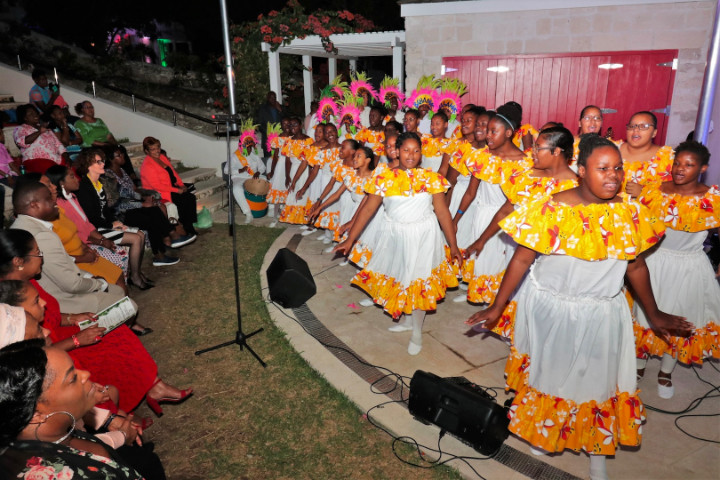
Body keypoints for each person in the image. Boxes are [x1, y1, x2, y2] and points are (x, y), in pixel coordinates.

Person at [466, 135, 691, 480]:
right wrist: (498, 306)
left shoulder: (628, 212)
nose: (613, 176)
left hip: (603, 311)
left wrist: (655, 312)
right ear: (581, 171)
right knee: (552, 373)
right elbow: (522, 258)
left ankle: (596, 447)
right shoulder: (550, 208)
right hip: (553, 309)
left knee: (597, 379)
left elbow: (635, 267)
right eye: (603, 168)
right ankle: (546, 429)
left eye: (617, 168)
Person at [0, 229, 193, 415]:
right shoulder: (10, 300)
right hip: (53, 351)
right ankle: (118, 414)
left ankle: (153, 387)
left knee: (115, 331)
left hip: (61, 334)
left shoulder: (28, 281)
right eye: (37, 253)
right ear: (18, 261)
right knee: (102, 346)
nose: (41, 256)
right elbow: (34, 354)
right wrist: (77, 340)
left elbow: (50, 315)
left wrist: (71, 318)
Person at [335, 132, 462, 355]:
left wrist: (453, 245)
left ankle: (416, 332)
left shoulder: (431, 178)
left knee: (419, 280)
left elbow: (442, 212)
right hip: (394, 234)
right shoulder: (383, 178)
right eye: (406, 150)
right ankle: (405, 320)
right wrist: (350, 239)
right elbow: (367, 210)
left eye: (416, 150)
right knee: (401, 276)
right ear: (396, 151)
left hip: (424, 235)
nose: (411, 155)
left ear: (421, 153)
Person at [634, 140, 720, 399]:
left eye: (689, 165)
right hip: (655, 262)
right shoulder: (655, 191)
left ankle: (666, 371)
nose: (680, 169)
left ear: (702, 168)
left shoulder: (711, 199)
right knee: (644, 314)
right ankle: (638, 365)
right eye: (677, 163)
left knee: (679, 317)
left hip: (689, 266)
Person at [0, 340, 155, 479]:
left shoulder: (55, 432)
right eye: (72, 378)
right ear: (36, 414)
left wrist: (119, 434)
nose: (86, 374)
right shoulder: (57, 474)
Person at [10, 180, 126, 315]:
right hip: (64, 300)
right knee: (125, 302)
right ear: (34, 205)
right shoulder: (41, 235)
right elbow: (71, 285)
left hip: (64, 285)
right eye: (48, 198)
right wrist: (98, 283)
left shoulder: (21, 226)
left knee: (117, 289)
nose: (54, 201)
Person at [453, 105, 529, 304]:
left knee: (499, 266)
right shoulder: (482, 157)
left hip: (504, 221)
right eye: (487, 131)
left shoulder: (522, 163)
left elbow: (510, 205)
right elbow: (471, 192)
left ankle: (496, 309)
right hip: (481, 214)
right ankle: (487, 305)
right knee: (482, 265)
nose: (487, 136)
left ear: (509, 133)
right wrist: (457, 218)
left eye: (493, 131)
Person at [74, 150, 172, 282]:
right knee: (136, 238)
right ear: (88, 165)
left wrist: (115, 222)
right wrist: (112, 224)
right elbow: (92, 217)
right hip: (98, 229)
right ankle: (135, 277)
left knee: (141, 234)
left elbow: (107, 210)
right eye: (98, 162)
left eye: (102, 161)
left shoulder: (98, 184)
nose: (103, 164)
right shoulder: (85, 188)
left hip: (109, 222)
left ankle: (137, 273)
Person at [44, 167, 131, 281]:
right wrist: (100, 241)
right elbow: (77, 232)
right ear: (61, 183)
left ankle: (124, 283)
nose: (76, 179)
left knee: (121, 253)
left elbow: (87, 224)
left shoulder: (73, 197)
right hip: (83, 245)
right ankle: (119, 286)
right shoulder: (60, 205)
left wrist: (103, 240)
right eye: (72, 177)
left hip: (90, 240)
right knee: (120, 258)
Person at [139, 137, 198, 245]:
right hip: (159, 193)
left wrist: (181, 184)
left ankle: (189, 226)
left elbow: (173, 172)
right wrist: (176, 189)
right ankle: (186, 228)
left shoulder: (162, 157)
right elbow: (156, 185)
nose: (157, 151)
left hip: (171, 187)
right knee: (184, 199)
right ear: (147, 151)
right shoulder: (147, 165)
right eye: (153, 149)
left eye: (158, 147)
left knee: (190, 197)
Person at [619, 111, 673, 198]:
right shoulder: (612, 150)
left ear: (654, 133)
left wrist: (644, 193)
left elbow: (672, 197)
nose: (635, 130)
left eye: (643, 126)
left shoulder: (666, 158)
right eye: (632, 126)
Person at [225, 127, 267, 224]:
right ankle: (248, 213)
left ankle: (270, 208)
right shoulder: (235, 156)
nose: (249, 149)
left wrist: (258, 172)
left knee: (268, 183)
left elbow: (262, 167)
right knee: (236, 189)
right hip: (240, 178)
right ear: (242, 146)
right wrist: (239, 170)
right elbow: (226, 170)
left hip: (253, 177)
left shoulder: (254, 155)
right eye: (247, 147)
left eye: (250, 147)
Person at [278, 117, 313, 225]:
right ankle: (292, 218)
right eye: (291, 125)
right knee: (292, 193)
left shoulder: (309, 141)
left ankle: (304, 219)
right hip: (293, 170)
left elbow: (311, 161)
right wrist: (287, 176)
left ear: (301, 126)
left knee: (303, 194)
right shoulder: (289, 141)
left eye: (295, 125)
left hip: (305, 170)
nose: (293, 127)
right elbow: (287, 160)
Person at [257, 91, 284, 159]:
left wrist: (280, 110)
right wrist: (269, 133)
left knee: (279, 161)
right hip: (267, 140)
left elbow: (286, 120)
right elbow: (260, 124)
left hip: (279, 141)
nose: (273, 99)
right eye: (271, 98)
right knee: (268, 161)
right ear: (267, 98)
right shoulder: (262, 109)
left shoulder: (279, 107)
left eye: (274, 98)